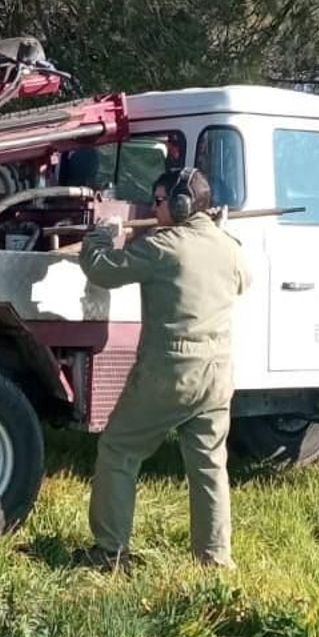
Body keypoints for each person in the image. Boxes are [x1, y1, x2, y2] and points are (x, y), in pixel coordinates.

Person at [76, 168, 250, 571]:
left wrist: (101, 234)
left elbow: (101, 269)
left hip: (169, 371)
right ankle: (214, 560)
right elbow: (244, 281)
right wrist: (221, 233)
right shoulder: (229, 247)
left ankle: (109, 552)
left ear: (182, 204)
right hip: (216, 374)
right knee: (209, 465)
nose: (153, 209)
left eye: (158, 201)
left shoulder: (162, 247)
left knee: (119, 450)